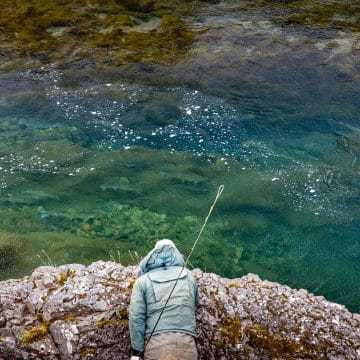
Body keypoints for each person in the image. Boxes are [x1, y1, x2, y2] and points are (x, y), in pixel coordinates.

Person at [129, 239, 198, 360]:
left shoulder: (142, 282)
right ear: (176, 255)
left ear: (152, 256)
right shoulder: (189, 276)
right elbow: (195, 302)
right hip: (187, 345)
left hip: (156, 346)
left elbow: (136, 317)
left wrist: (137, 352)